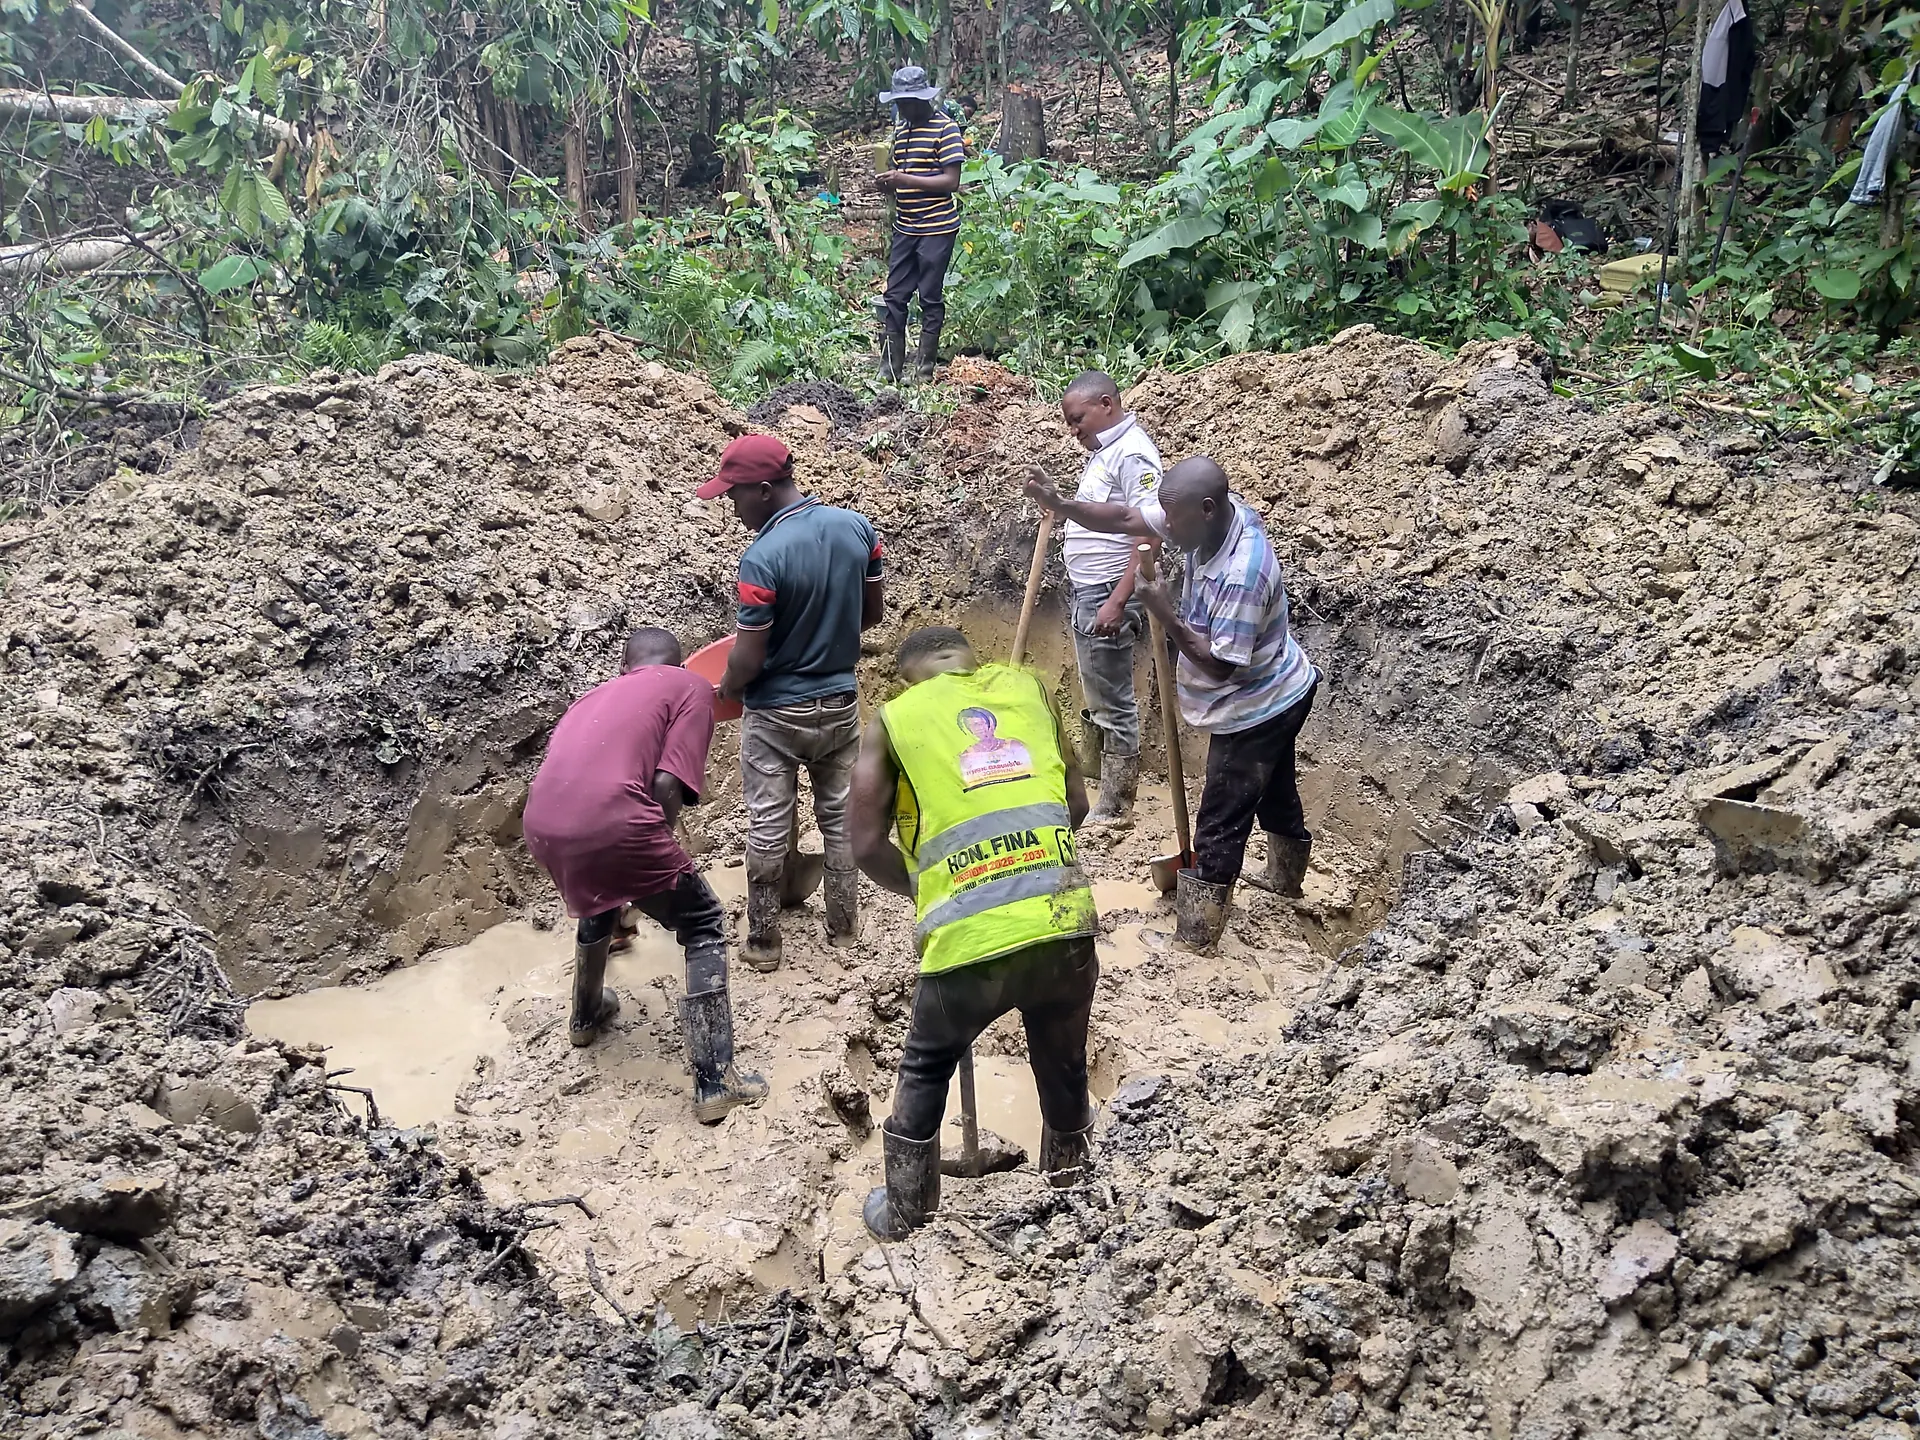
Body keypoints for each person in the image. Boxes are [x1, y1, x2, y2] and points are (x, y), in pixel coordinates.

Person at [849, 626, 1100, 1240]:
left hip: (968, 941)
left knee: (926, 1064)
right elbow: (1077, 804)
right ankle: (1072, 1192)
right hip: (1062, 920)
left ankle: (906, 1212)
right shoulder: (1030, 690)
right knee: (1064, 1064)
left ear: (907, 676)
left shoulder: (894, 720)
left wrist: (928, 887)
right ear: (968, 659)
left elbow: (863, 844)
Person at [1022, 457, 1318, 949]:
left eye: (1172, 519)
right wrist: (1061, 504)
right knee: (1274, 786)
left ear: (1207, 509)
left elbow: (1222, 666)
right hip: (1282, 686)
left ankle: (1195, 935)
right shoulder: (1206, 517)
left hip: (1257, 704)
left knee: (1221, 817)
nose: (1165, 528)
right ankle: (1285, 880)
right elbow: (1125, 517)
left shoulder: (1243, 573)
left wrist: (1164, 611)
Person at [521, 627, 768, 1123]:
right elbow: (666, 783)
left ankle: (585, 1016)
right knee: (702, 922)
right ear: (679, 664)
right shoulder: (689, 686)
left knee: (599, 897)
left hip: (544, 825)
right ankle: (715, 1081)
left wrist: (632, 882)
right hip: (615, 821)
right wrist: (655, 862)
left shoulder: (590, 698)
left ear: (624, 667)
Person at [699, 433, 885, 971]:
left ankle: (763, 942)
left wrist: (727, 688)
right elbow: (871, 615)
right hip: (840, 703)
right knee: (840, 817)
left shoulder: (761, 558)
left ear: (763, 490)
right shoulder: (858, 529)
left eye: (734, 495)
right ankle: (843, 928)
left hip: (776, 714)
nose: (732, 508)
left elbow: (748, 656)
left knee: (768, 822)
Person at [1043, 371, 1164, 827]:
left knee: (1111, 700)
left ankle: (1115, 807)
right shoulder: (1106, 452)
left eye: (1078, 419)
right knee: (1101, 694)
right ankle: (1108, 794)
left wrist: (1117, 599)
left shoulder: (1132, 454)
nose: (1073, 430)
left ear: (1106, 405)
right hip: (1093, 587)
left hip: (1108, 589)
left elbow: (1150, 531)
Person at [874, 65, 965, 382]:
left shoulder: (946, 129)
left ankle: (924, 370)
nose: (901, 108)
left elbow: (951, 181)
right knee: (895, 296)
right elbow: (904, 177)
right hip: (906, 226)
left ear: (921, 100)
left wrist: (904, 179)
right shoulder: (902, 131)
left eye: (906, 102)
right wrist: (889, 184)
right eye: (898, 102)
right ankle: (890, 368)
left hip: (937, 228)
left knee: (929, 296)